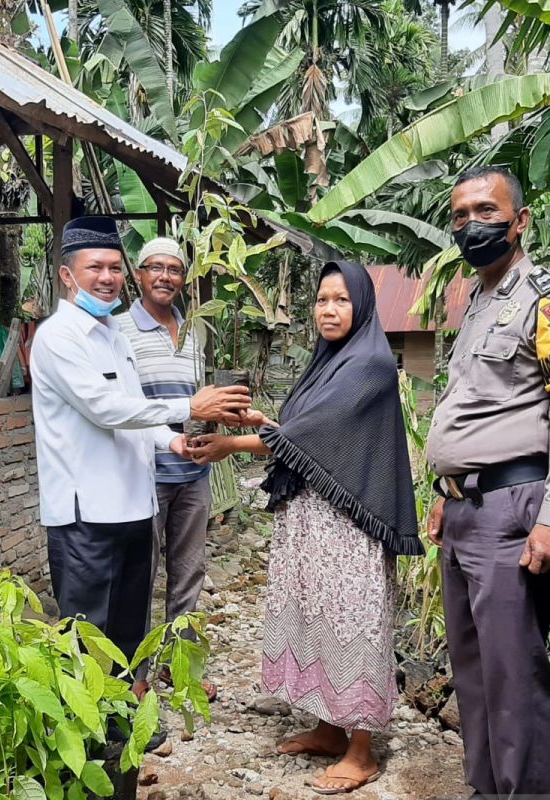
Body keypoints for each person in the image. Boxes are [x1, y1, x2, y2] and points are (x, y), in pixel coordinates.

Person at [189, 261, 423, 795]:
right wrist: (263, 426)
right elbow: (302, 432)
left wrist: (230, 444)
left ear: (361, 305)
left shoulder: (369, 363)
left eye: (341, 300)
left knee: (352, 622)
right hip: (312, 521)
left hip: (347, 526)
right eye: (321, 300)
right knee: (316, 617)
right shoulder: (331, 361)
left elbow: (318, 434)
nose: (329, 309)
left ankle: (361, 751)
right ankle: (326, 726)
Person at [425, 166, 550, 796]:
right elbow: (466, 405)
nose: (471, 224)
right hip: (466, 511)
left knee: (513, 679)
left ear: (519, 221)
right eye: (459, 215)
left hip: (515, 511)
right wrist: (443, 493)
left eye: (485, 210)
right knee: (472, 673)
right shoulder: (477, 300)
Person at [29, 216, 250, 669]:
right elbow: (104, 408)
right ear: (67, 275)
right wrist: (189, 408)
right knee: (90, 631)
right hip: (86, 514)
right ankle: (94, 735)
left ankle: (127, 722)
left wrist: (171, 443)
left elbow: (133, 407)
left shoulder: (112, 334)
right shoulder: (58, 337)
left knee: (129, 627)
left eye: (114, 267)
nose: (107, 278)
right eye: (95, 268)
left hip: (134, 505)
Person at [116, 237, 218, 701]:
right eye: (154, 268)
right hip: (144, 473)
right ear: (138, 275)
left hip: (194, 473)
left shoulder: (194, 331)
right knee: (140, 573)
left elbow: (199, 401)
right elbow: (123, 406)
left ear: (183, 279)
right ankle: (132, 675)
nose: (164, 277)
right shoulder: (119, 331)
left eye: (174, 270)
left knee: (189, 572)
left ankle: (182, 669)